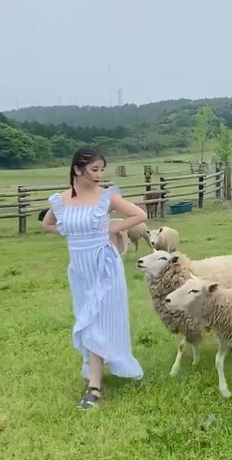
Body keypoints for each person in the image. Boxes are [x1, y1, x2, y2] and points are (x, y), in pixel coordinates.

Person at [42, 146, 147, 409]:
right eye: (94, 170)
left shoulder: (106, 197)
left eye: (101, 170)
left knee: (99, 321)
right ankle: (98, 372)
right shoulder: (61, 200)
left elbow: (139, 214)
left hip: (105, 266)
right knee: (86, 320)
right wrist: (72, 234)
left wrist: (114, 227)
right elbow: (47, 223)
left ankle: (94, 387)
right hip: (79, 269)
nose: (100, 175)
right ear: (78, 169)